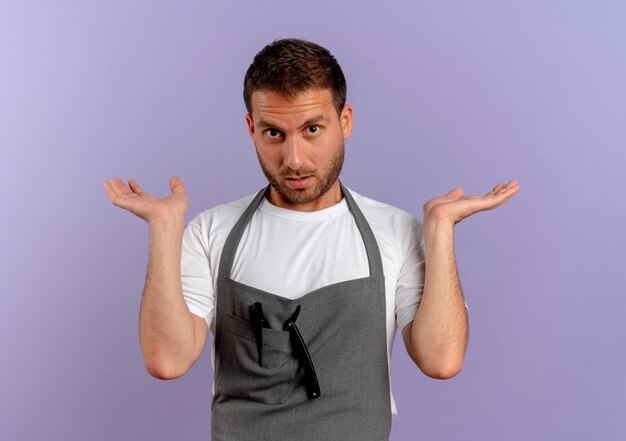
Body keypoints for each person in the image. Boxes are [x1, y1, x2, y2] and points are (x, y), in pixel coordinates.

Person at [104, 38, 520, 441]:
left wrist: (439, 230)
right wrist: (164, 228)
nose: (294, 159)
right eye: (274, 134)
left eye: (312, 129)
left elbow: (441, 359)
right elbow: (167, 359)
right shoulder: (213, 232)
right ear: (251, 128)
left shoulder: (394, 231)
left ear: (345, 121)